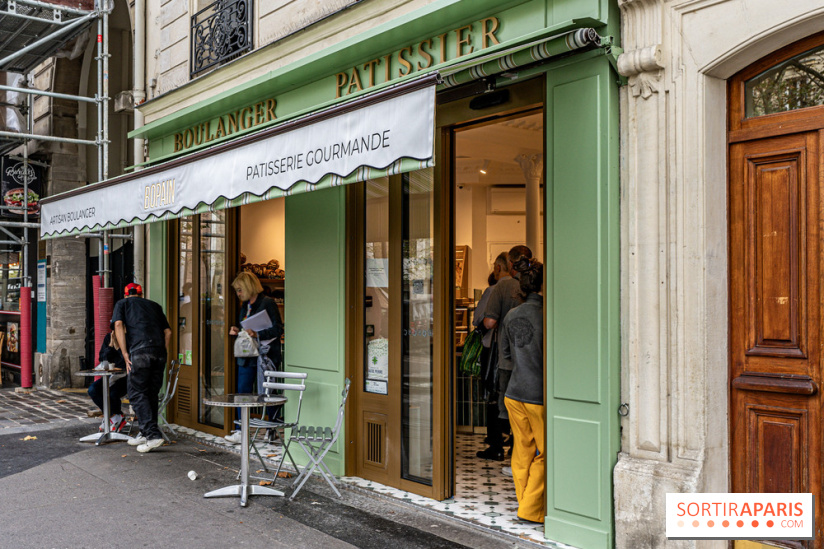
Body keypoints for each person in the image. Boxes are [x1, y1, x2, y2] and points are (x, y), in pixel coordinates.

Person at [476, 245, 532, 461]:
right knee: (524, 403)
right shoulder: (533, 285)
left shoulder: (502, 287)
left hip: (503, 352)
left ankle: (497, 445)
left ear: (509, 264)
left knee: (499, 398)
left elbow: (488, 321)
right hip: (530, 353)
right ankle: (520, 452)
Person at [501, 258, 544, 523]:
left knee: (522, 451)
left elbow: (506, 356)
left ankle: (524, 501)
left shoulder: (511, 315)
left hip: (513, 392)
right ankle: (530, 509)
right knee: (546, 453)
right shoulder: (548, 315)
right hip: (538, 396)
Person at [112, 282, 172, 453]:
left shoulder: (122, 304)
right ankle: (146, 433)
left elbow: (117, 325)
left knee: (136, 392)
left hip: (139, 352)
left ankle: (153, 435)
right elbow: (168, 332)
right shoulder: (154, 306)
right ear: (141, 293)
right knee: (150, 394)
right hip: (159, 352)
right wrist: (162, 351)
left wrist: (124, 353)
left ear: (126, 294)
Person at [225, 271, 284, 444]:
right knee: (242, 391)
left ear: (249, 287)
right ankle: (240, 430)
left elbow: (278, 329)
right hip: (247, 356)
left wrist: (257, 333)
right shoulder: (245, 306)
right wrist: (237, 330)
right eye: (237, 290)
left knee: (267, 392)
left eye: (240, 290)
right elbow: (246, 327)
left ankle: (271, 428)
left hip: (264, 356)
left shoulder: (267, 303)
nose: (238, 294)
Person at [472, 252, 509, 459]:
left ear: (498, 267)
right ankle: (513, 442)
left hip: (494, 351)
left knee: (492, 396)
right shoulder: (520, 289)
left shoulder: (493, 290)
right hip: (515, 354)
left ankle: (495, 444)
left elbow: (480, 319)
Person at [88, 329, 128, 432]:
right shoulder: (108, 338)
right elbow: (102, 358)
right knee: (92, 390)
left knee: (112, 393)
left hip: (125, 377)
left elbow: (126, 362)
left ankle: (113, 418)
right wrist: (110, 345)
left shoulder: (129, 338)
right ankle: (113, 417)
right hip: (110, 376)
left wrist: (118, 348)